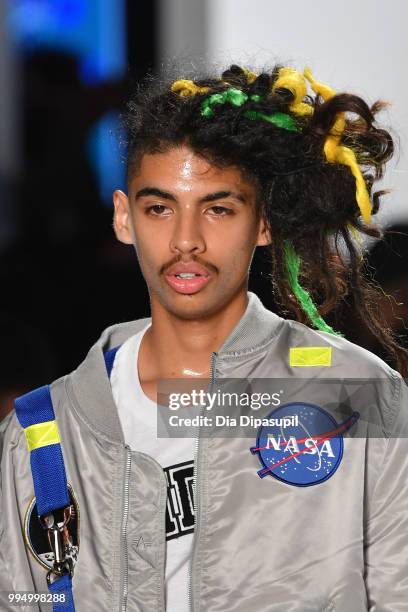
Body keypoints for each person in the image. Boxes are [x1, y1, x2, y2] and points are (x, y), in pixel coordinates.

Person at [1, 62, 408, 612]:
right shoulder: (41, 430)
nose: (185, 240)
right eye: (159, 208)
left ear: (263, 222)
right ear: (124, 218)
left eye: (217, 209)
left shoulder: (356, 393)